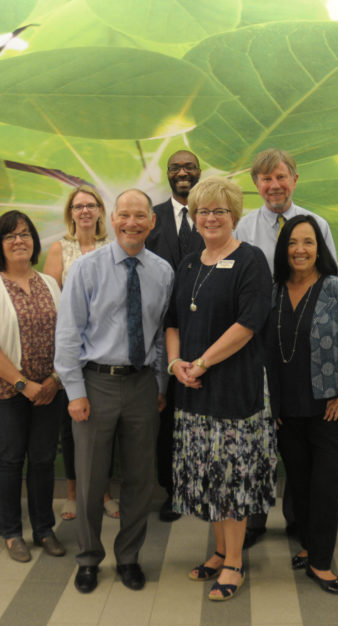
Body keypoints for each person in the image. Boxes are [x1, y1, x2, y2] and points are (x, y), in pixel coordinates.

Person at [54, 189, 174, 594]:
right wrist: (74, 391)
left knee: (140, 479)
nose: (132, 223)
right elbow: (68, 334)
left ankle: (129, 557)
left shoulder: (163, 272)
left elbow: (159, 337)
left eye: (140, 216)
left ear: (151, 222)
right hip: (95, 384)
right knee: (90, 479)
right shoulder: (86, 269)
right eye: (124, 215)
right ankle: (88, 558)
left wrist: (159, 383)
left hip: (142, 384)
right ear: (113, 217)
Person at [166, 176, 276, 601]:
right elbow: (172, 321)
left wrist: (203, 363)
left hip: (234, 389)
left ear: (234, 215)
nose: (211, 218)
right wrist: (177, 363)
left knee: (230, 478)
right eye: (203, 211)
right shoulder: (190, 264)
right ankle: (218, 551)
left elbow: (248, 325)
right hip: (192, 388)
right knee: (207, 475)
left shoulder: (251, 261)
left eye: (219, 211)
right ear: (194, 218)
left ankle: (234, 563)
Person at [267, 215, 338, 594]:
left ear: (320, 248)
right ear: (283, 249)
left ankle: (321, 562)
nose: (300, 249)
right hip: (288, 411)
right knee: (299, 485)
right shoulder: (271, 292)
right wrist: (272, 404)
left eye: (308, 242)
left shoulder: (337, 290)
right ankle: (306, 545)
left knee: (327, 486)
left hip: (333, 411)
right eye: (292, 243)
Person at [234, 148, 334, 547]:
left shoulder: (317, 224)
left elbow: (329, 282)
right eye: (265, 179)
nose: (273, 185)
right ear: (256, 185)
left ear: (295, 179)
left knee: (298, 437)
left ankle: (297, 516)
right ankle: (255, 518)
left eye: (280, 177)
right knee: (259, 436)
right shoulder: (243, 227)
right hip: (257, 345)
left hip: (304, 349)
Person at [0, 210, 66, 563]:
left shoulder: (50, 283)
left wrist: (53, 381)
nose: (19, 241)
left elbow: (66, 336)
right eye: (10, 236)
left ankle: (44, 528)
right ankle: (11, 532)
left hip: (49, 389)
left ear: (34, 241)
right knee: (10, 459)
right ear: (0, 244)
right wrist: (24, 384)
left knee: (43, 460)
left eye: (25, 234)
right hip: (4, 392)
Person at [42, 185, 119, 523]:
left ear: (101, 211)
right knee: (71, 426)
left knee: (105, 428)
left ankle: (104, 492)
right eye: (78, 206)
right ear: (70, 214)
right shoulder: (60, 249)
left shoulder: (114, 248)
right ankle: (73, 492)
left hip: (106, 352)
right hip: (72, 351)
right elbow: (49, 302)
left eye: (91, 205)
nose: (85, 211)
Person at [146, 149, 204, 522]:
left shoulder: (213, 216)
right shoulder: (153, 219)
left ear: (201, 172)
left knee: (203, 411)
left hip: (207, 333)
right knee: (165, 418)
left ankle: (203, 485)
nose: (182, 172)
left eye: (189, 167)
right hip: (161, 335)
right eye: (175, 168)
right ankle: (171, 490)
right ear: (167, 175)